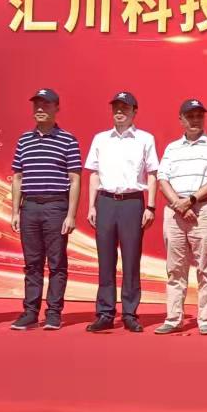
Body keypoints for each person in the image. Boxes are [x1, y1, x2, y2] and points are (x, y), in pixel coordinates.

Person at [86, 90, 159, 333]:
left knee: (131, 260)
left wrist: (150, 206)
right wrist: (91, 205)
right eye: (116, 108)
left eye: (125, 108)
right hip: (106, 202)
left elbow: (152, 174)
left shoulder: (145, 139)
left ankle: (129, 313)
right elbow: (94, 174)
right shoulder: (100, 139)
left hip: (132, 203)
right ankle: (105, 313)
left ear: (134, 112)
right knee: (105, 259)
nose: (119, 112)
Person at [154, 99, 207, 335]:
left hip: (203, 211)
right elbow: (162, 179)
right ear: (181, 119)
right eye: (190, 116)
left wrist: (191, 200)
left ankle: (206, 320)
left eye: (199, 115)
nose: (195, 120)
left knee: (205, 269)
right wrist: (179, 204)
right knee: (175, 269)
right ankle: (173, 318)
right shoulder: (172, 148)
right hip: (175, 212)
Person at [9, 88, 82, 332]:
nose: (40, 109)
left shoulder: (68, 140)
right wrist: (15, 211)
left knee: (57, 262)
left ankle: (53, 313)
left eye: (46, 105)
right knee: (32, 263)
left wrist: (71, 214)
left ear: (56, 108)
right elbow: (18, 177)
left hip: (56, 206)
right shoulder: (24, 140)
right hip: (29, 206)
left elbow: (74, 179)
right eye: (37, 105)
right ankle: (30, 313)